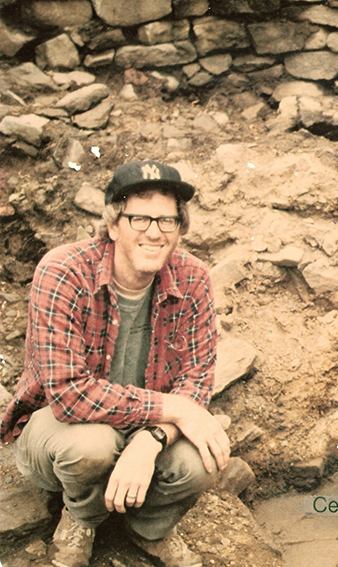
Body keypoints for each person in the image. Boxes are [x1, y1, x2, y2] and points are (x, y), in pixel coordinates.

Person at [1, 161, 230, 567]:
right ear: (113, 225)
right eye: (140, 217)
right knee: (92, 447)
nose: (155, 232)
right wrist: (173, 410)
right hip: (62, 430)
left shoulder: (193, 278)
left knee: (204, 459)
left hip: (145, 428)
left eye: (168, 220)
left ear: (180, 229)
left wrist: (152, 439)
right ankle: (81, 517)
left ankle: (148, 529)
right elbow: (69, 395)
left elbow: (196, 382)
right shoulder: (63, 271)